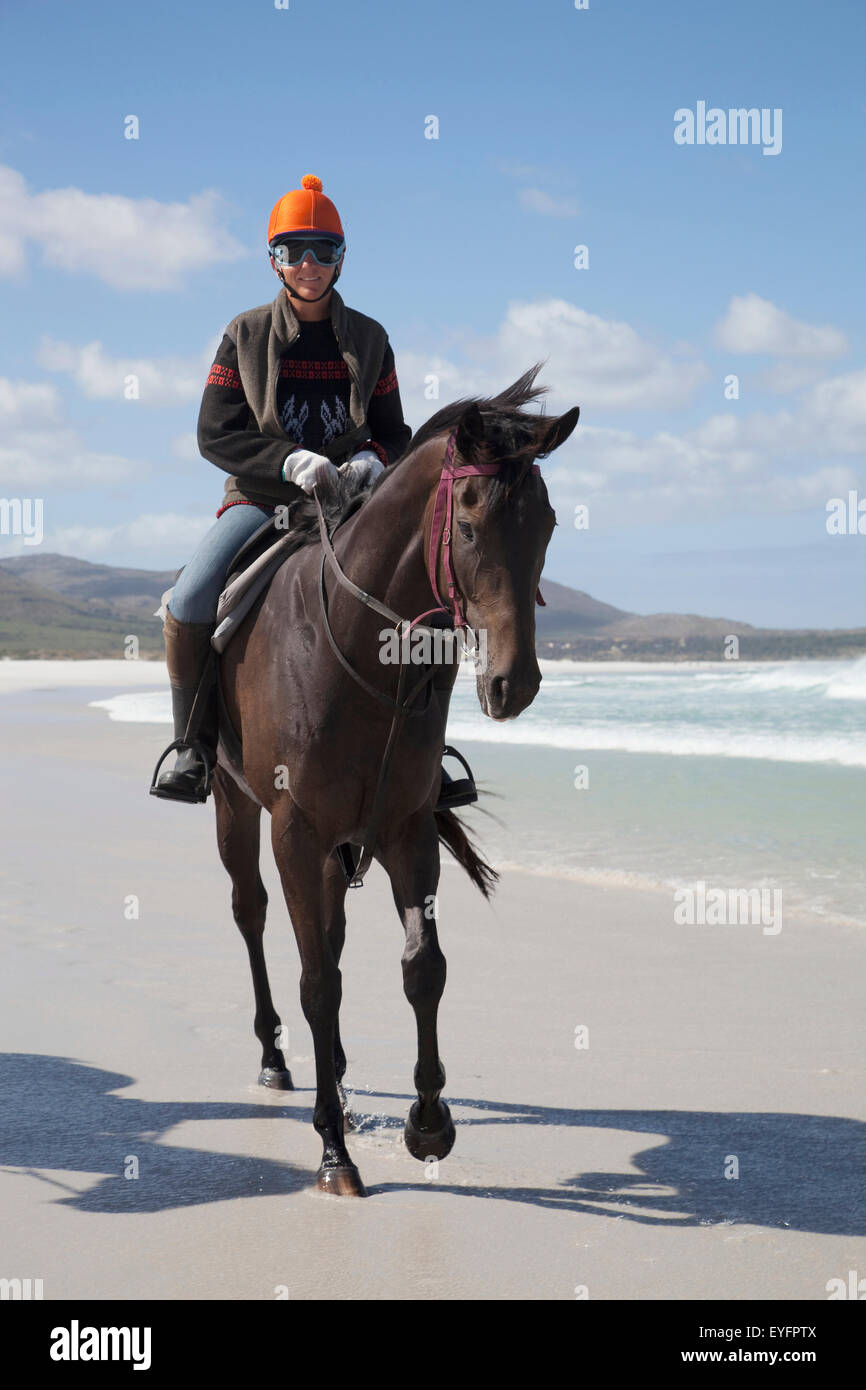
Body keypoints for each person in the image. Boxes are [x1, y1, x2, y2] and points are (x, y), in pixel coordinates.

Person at [150, 174, 476, 813]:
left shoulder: (372, 339)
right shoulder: (243, 335)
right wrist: (287, 461)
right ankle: (191, 747)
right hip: (261, 500)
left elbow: (394, 434)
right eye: (295, 250)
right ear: (273, 258)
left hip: (351, 502)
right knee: (189, 597)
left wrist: (367, 463)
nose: (309, 264)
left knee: (431, 614)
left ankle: (428, 755)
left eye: (323, 251)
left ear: (341, 258)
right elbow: (214, 433)